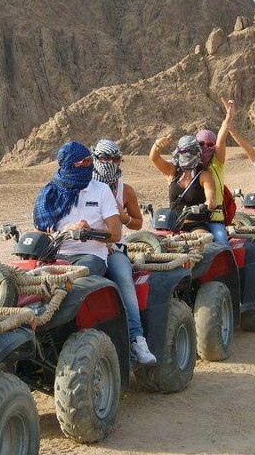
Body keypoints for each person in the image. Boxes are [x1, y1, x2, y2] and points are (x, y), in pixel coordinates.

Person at [91, 139, 156, 364]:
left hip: (115, 248)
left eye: (115, 158)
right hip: (87, 247)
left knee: (124, 279)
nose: (110, 162)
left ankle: (137, 340)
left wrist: (123, 215)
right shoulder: (85, 185)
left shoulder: (124, 190)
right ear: (95, 158)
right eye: (104, 158)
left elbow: (138, 223)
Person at [33, 141, 122, 276]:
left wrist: (90, 232)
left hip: (91, 255)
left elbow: (116, 233)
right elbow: (39, 235)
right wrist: (64, 233)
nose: (90, 165)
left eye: (91, 160)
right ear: (70, 165)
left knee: (75, 279)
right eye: (86, 162)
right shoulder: (50, 193)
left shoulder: (101, 190)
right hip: (55, 256)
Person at [188, 98, 236, 245]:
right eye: (201, 143)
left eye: (210, 144)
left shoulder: (217, 163)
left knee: (222, 242)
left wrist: (228, 119)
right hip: (192, 221)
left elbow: (221, 141)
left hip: (214, 220)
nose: (205, 147)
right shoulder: (188, 164)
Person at [149, 134, 216, 235]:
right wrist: (157, 145)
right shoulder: (172, 171)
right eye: (183, 151)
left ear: (197, 152)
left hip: (195, 225)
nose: (187, 154)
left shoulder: (204, 175)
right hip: (171, 224)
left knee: (201, 241)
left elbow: (210, 198)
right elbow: (154, 158)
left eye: (191, 151)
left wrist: (209, 203)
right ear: (179, 152)